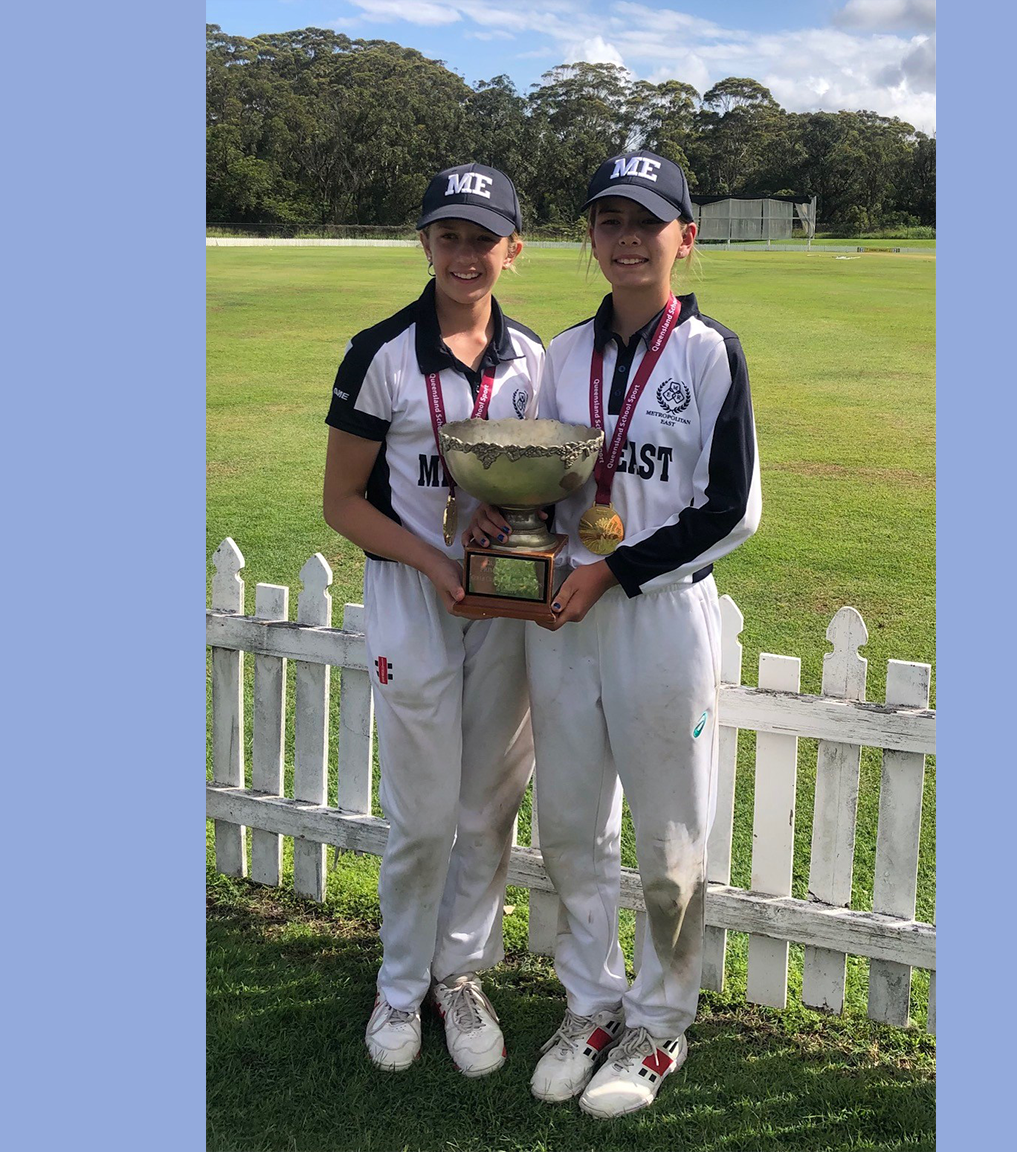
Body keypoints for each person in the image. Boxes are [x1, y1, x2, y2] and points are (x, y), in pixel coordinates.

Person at [469, 149, 761, 1117]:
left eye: (646, 222)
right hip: (566, 611)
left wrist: (616, 569)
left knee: (671, 835)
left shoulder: (709, 352)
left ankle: (659, 1023)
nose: (626, 239)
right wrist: (507, 519)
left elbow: (733, 508)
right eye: (609, 221)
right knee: (569, 826)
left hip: (656, 614)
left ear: (686, 236)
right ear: (590, 236)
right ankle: (589, 1005)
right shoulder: (561, 355)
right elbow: (542, 482)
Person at [322, 163, 543, 1078]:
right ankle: (399, 980)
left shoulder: (533, 360)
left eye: (482, 238)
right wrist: (434, 559)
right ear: (424, 243)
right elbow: (342, 501)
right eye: (448, 235)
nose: (464, 254)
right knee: (421, 815)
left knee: (488, 805)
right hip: (415, 593)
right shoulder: (380, 354)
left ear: (512, 250)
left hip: (501, 602)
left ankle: (459, 974)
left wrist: (509, 524)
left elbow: (545, 481)